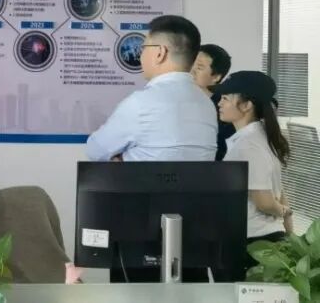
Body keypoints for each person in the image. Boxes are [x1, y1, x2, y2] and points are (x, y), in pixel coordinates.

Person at [85, 15, 216, 162]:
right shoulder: (207, 105)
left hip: (137, 178)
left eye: (144, 47)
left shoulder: (140, 103)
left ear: (160, 53)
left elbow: (95, 150)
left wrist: (122, 158)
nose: (140, 55)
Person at [217, 71, 292, 268]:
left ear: (246, 105)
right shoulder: (262, 137)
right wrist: (290, 232)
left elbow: (265, 202)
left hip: (254, 243)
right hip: (265, 239)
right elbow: (280, 192)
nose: (219, 103)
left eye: (225, 98)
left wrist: (284, 212)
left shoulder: (248, 145)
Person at [191, 44, 235, 160]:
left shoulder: (224, 108)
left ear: (216, 77)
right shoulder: (177, 100)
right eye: (191, 64)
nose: (191, 71)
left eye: (199, 67)